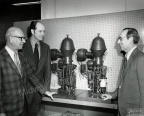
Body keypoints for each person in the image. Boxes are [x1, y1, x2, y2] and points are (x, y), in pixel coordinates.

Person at [0, 27, 55, 116]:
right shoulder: (1, 58)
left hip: (24, 107)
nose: (24, 41)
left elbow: (31, 76)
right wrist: (1, 112)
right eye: (21, 38)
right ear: (11, 39)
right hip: (9, 110)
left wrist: (44, 91)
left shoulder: (21, 56)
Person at [101, 28, 144, 116]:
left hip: (134, 112)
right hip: (123, 110)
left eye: (121, 38)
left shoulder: (140, 58)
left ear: (131, 39)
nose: (118, 42)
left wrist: (141, 113)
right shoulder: (126, 58)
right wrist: (112, 95)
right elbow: (124, 84)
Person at [22, 21, 52, 116]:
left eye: (44, 31)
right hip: (23, 94)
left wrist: (45, 90)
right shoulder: (21, 46)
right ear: (32, 31)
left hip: (38, 94)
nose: (42, 34)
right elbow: (26, 71)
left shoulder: (46, 48)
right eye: (40, 31)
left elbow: (48, 70)